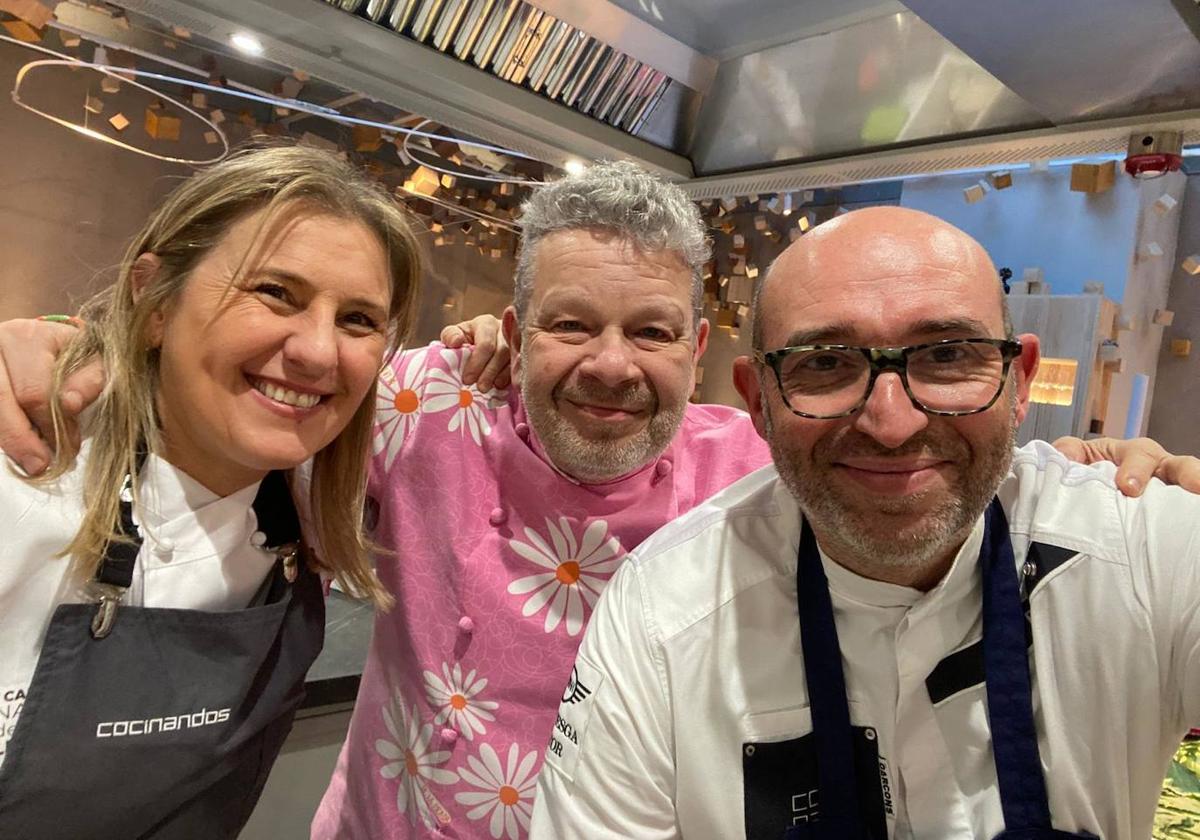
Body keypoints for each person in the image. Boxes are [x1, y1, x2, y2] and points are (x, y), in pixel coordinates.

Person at [0, 164, 1194, 840]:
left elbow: (930, 457)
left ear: (706, 355)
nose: (612, 364)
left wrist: (1094, 466)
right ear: (513, 335)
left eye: (651, 330)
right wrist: (66, 348)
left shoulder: (770, 456)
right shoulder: (418, 407)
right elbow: (258, 380)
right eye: (570, 324)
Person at [529, 206, 1200, 839]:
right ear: (757, 402)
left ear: (1018, 380)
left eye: (945, 355)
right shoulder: (660, 615)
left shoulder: (1142, 551)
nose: (892, 423)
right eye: (824, 364)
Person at [0, 143, 423, 839]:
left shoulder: (304, 520)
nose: (319, 351)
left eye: (358, 320)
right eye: (275, 293)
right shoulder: (25, 482)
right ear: (153, 298)